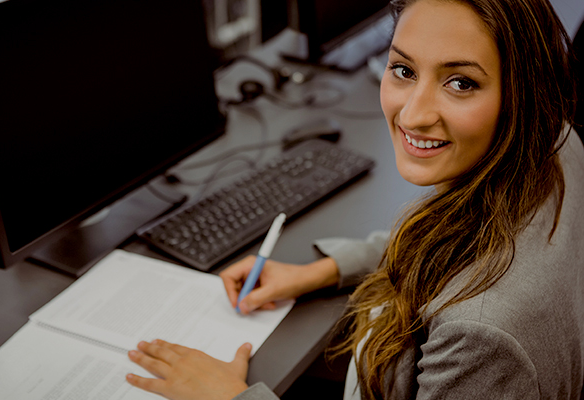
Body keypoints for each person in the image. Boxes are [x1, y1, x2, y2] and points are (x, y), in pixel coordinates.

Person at [125, 0, 584, 398]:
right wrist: (324, 271)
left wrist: (230, 398)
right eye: (404, 70)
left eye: (460, 82)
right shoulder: (555, 144)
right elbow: (456, 238)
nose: (413, 113)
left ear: (524, 93)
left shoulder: (483, 336)